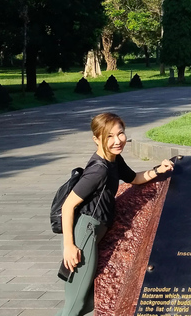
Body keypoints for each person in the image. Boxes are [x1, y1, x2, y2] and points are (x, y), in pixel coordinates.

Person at [57, 112, 175, 316]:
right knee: (75, 304)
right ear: (96, 139)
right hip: (84, 235)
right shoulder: (99, 170)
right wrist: (69, 246)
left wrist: (158, 170)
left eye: (120, 134)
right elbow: (68, 206)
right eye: (109, 136)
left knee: (90, 301)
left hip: (93, 234)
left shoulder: (114, 160)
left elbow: (134, 178)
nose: (117, 140)